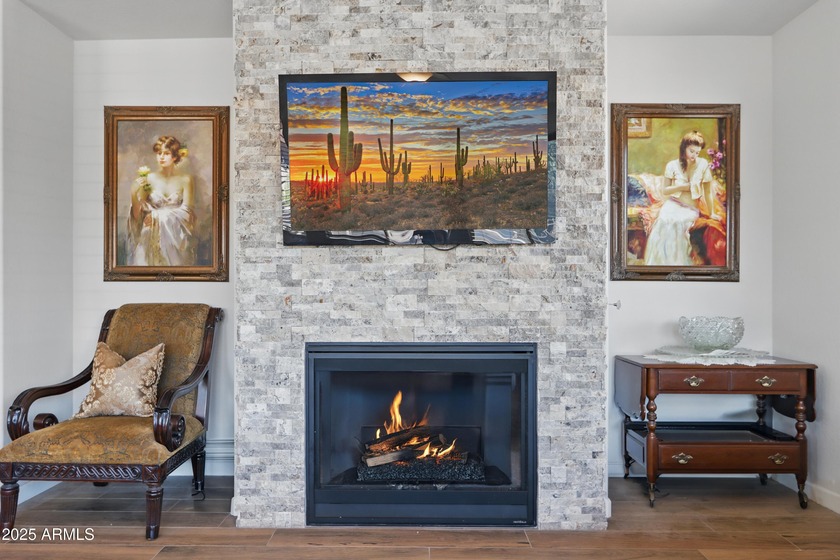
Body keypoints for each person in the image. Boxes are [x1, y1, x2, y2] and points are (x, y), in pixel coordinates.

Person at [643, 131, 721, 266]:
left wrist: (712, 212)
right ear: (684, 148)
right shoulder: (672, 165)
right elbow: (665, 190)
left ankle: (678, 264)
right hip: (673, 203)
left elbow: (707, 191)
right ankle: (660, 265)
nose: (694, 156)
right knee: (664, 221)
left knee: (678, 223)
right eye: (692, 151)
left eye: (697, 152)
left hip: (690, 208)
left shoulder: (702, 165)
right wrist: (681, 187)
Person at [126, 136, 196, 266]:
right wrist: (133, 193)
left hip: (175, 237)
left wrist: (156, 217)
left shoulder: (186, 179)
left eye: (166, 153)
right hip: (150, 237)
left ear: (175, 156)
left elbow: (187, 213)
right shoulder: (149, 179)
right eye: (159, 153)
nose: (161, 157)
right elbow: (138, 215)